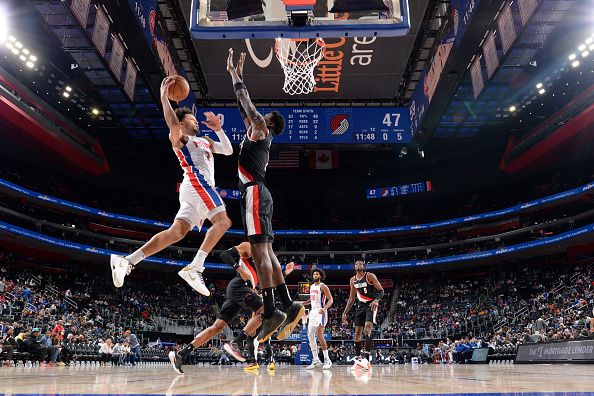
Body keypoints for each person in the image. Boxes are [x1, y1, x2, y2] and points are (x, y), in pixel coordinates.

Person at [110, 76, 233, 296]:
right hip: (197, 183)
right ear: (182, 122)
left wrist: (218, 129)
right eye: (192, 119)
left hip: (193, 188)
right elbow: (171, 123)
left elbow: (228, 150)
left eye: (196, 120)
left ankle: (128, 261)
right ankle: (196, 267)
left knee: (176, 233)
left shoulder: (204, 140)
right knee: (223, 221)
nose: (196, 122)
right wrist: (164, 98)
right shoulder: (180, 138)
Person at [227, 49, 303, 342]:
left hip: (254, 193)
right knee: (267, 252)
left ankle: (272, 309)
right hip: (262, 193)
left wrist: (234, 74)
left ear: (268, 122)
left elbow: (247, 104)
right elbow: (242, 107)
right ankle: (287, 303)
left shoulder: (261, 128)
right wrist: (239, 76)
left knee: (260, 254)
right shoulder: (257, 132)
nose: (259, 114)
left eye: (263, 114)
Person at [169, 242, 294, 374]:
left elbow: (267, 285)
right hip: (238, 286)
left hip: (240, 294)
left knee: (217, 328)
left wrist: (285, 273)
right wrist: (240, 269)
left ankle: (181, 354)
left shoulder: (264, 262)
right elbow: (225, 254)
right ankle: (236, 343)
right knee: (265, 310)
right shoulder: (249, 246)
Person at [341, 260, 384, 370]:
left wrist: (376, 300)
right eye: (356, 264)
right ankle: (358, 359)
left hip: (371, 305)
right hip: (360, 306)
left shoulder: (369, 276)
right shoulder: (352, 280)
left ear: (363, 266)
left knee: (367, 329)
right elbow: (351, 298)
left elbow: (381, 291)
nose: (358, 265)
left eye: (360, 264)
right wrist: (345, 312)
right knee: (357, 333)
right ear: (354, 267)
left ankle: (367, 359)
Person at [300, 268, 333, 370]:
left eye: (317, 274)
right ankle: (316, 360)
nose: (315, 275)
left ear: (320, 276)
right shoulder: (311, 287)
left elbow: (331, 299)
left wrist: (325, 308)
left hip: (321, 312)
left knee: (319, 334)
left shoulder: (323, 286)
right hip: (313, 312)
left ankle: (327, 360)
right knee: (310, 335)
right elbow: (311, 299)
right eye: (314, 274)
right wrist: (302, 303)